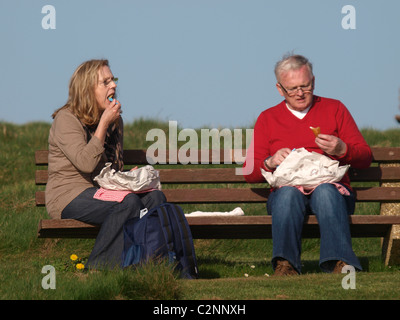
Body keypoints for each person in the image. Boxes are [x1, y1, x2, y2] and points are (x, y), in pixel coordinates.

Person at [243, 54, 372, 276]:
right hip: (288, 192)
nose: (300, 93)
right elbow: (250, 172)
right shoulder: (268, 118)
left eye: (305, 86)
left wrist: (343, 150)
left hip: (333, 191)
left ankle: (340, 263)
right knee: (287, 195)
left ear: (314, 81)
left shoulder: (334, 109)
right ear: (279, 89)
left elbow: (365, 157)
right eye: (292, 89)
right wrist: (270, 161)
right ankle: (286, 265)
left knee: (325, 192)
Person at [45, 59, 167, 270]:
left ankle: (145, 265)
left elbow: (112, 169)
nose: (114, 85)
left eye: (113, 80)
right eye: (106, 82)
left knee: (155, 197)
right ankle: (98, 267)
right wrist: (103, 124)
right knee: (127, 203)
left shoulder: (115, 121)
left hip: (102, 192)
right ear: (87, 89)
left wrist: (128, 176)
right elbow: (85, 163)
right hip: (68, 196)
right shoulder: (67, 119)